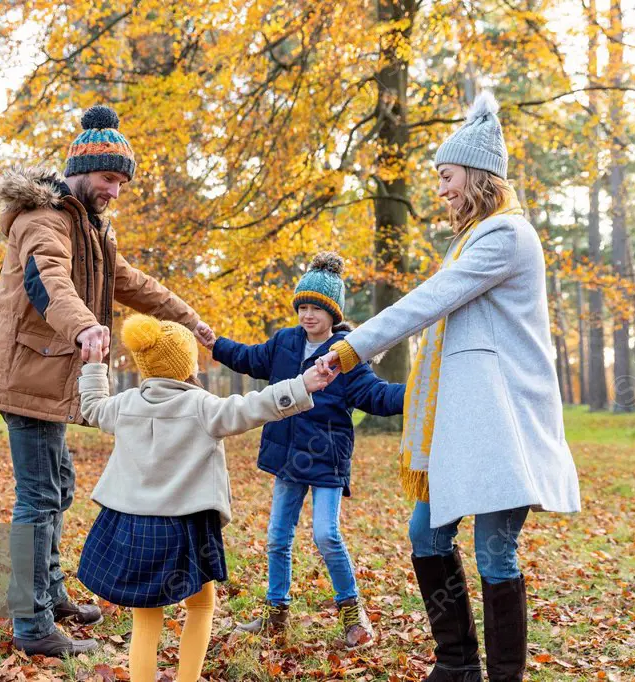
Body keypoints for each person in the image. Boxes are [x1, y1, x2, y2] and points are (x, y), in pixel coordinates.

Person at [318, 92, 581, 682]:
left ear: (477, 175)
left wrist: (350, 347)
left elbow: (431, 300)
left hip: (503, 425)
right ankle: (457, 664)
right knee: (425, 531)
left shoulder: (507, 235)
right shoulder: (473, 238)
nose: (440, 190)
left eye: (447, 177)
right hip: (468, 428)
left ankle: (503, 674)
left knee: (494, 549)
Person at [0, 105, 215, 657]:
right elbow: (47, 279)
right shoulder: (46, 220)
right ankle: (32, 625)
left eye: (123, 182)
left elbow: (134, 283)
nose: (116, 191)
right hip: (27, 373)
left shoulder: (92, 230)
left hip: (48, 375)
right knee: (38, 498)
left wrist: (188, 318)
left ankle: (51, 596)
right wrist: (85, 327)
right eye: (110, 178)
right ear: (82, 170)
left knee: (58, 489)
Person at [75, 314, 337, 681]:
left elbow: (91, 407)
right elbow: (253, 407)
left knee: (145, 616)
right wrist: (302, 385)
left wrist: (93, 365)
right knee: (200, 605)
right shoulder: (201, 406)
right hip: (185, 526)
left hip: (133, 526)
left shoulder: (126, 404)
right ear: (186, 365)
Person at [210, 252, 405, 648]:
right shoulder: (285, 342)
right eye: (303, 306)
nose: (307, 315)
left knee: (326, 534)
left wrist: (419, 394)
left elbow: (376, 395)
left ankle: (354, 616)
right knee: (277, 537)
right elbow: (249, 358)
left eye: (317, 308)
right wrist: (214, 343)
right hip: (287, 459)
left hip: (327, 459)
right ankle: (274, 614)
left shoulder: (347, 354)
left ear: (333, 312)